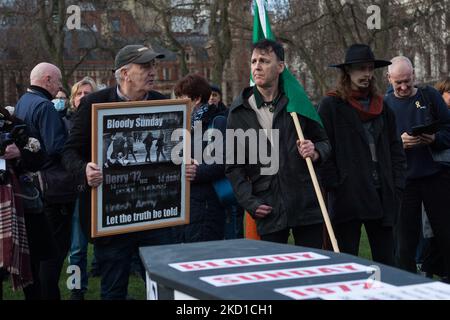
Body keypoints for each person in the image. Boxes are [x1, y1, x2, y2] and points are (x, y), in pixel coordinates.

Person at [62, 44, 175, 299]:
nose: (152, 71)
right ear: (124, 73)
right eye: (145, 66)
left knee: (162, 288)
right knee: (113, 289)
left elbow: (175, 150)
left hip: (155, 214)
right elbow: (68, 152)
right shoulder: (93, 103)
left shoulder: (163, 102)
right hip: (112, 217)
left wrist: (185, 164)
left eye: (153, 65)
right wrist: (84, 169)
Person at [225, 39, 330, 247]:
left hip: (306, 204)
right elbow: (233, 167)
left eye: (264, 60)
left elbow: (324, 141)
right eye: (254, 61)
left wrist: (315, 151)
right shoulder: (238, 113)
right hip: (268, 207)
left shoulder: (298, 103)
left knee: (312, 272)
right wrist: (250, 203)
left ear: (280, 66)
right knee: (275, 274)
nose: (257, 66)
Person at [317, 44, 406, 266]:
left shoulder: (382, 107)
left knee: (386, 263)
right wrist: (336, 182)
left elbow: (395, 148)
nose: (366, 74)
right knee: (347, 263)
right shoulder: (331, 105)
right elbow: (324, 147)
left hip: (382, 193)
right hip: (348, 196)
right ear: (347, 71)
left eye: (369, 68)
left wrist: (397, 185)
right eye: (360, 69)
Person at [384, 56, 450, 282]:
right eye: (398, 83)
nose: (403, 87)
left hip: (435, 177)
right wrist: (398, 143)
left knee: (446, 233)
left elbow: (448, 129)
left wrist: (434, 138)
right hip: (404, 182)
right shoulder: (384, 105)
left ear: (414, 75)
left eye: (407, 81)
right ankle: (406, 283)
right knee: (404, 241)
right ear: (389, 79)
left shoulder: (429, 96)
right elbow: (378, 144)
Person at [14, 62, 76, 299]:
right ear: (48, 79)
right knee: (52, 254)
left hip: (31, 189)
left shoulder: (23, 102)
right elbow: (57, 147)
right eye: (58, 81)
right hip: (54, 190)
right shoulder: (45, 107)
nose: (60, 86)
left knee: (35, 253)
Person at [0, 106, 54, 300]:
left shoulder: (13, 122)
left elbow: (40, 157)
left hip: (24, 207)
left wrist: (20, 153)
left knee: (32, 272)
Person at [174, 74, 227, 242]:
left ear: (196, 99)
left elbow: (225, 161)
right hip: (183, 205)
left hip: (206, 205)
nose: (177, 101)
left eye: (180, 97)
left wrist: (197, 171)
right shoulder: (180, 124)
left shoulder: (218, 123)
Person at [66, 76, 97, 300]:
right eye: (79, 94)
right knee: (77, 248)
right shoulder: (65, 122)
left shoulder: (102, 121)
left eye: (88, 93)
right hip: (77, 190)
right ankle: (76, 289)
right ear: (73, 99)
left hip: (102, 189)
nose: (84, 97)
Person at [208, 84, 244, 239]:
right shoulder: (199, 117)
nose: (212, 98)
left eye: (215, 95)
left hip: (228, 176)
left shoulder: (229, 115)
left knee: (232, 219)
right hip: (209, 174)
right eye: (209, 95)